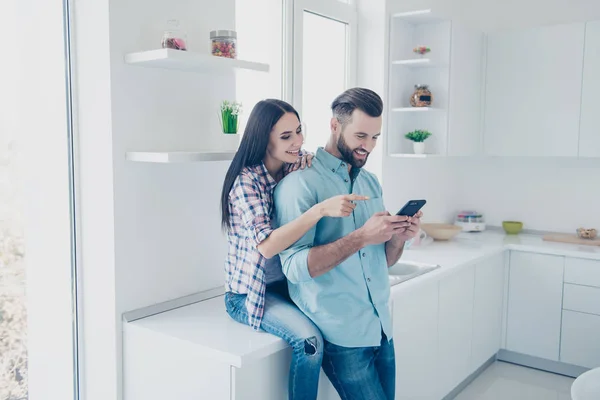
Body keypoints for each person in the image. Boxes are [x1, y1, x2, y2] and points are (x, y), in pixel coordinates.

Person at [274, 88, 422, 400]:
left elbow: (383, 261)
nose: (367, 146)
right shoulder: (300, 183)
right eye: (360, 136)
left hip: (381, 327)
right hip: (341, 333)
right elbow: (294, 268)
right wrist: (361, 237)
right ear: (334, 126)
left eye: (375, 137)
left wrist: (398, 237)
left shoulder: (370, 182)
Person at [220, 99, 369, 400]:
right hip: (250, 294)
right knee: (309, 341)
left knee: (338, 315)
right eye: (286, 137)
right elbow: (266, 247)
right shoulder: (246, 182)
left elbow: (319, 166)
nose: (297, 142)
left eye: (299, 132)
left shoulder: (295, 164)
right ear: (264, 139)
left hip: (286, 285)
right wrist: (318, 211)